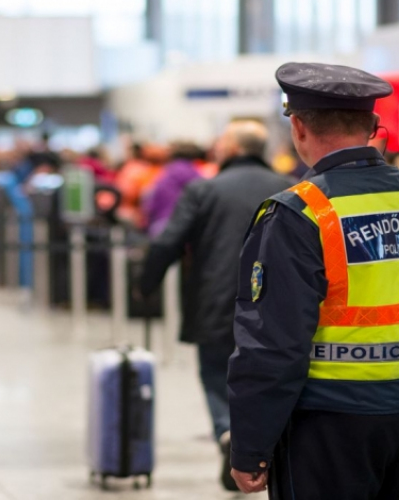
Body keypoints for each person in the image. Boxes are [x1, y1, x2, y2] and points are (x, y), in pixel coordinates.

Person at [228, 62, 399, 498]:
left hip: (328, 421)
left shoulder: (301, 213)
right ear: (373, 126)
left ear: (297, 127)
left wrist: (251, 446)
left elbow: (273, 341)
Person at [139, 121, 292, 491]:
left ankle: (227, 432)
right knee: (272, 374)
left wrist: (145, 285)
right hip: (277, 304)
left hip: (215, 299)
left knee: (215, 374)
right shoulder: (291, 189)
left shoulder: (203, 189)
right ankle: (264, 447)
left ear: (233, 148)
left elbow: (167, 242)